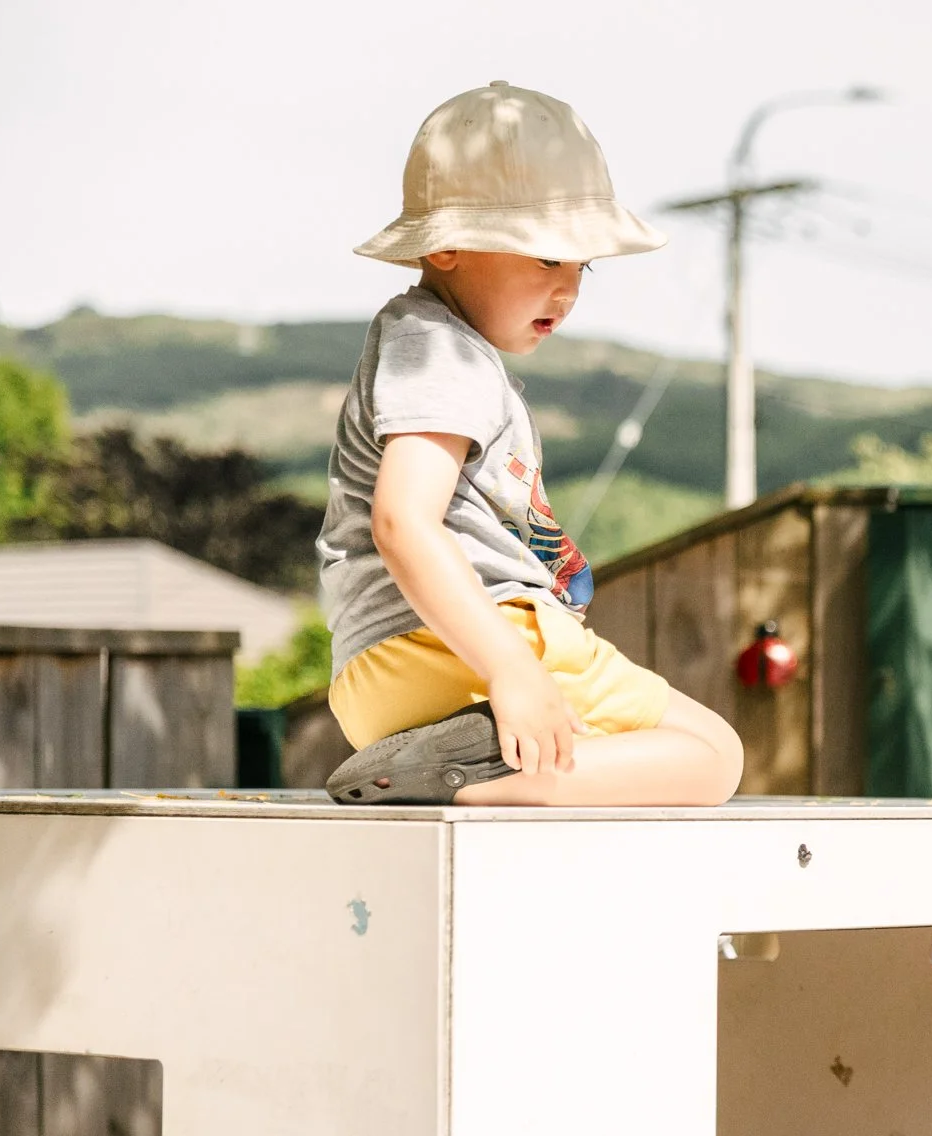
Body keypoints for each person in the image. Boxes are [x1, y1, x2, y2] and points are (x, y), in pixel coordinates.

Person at [316, 82, 742, 806]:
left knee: (632, 746)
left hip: (376, 680)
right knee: (713, 756)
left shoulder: (434, 351)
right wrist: (510, 666)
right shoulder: (439, 353)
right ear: (447, 244)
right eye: (547, 258)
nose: (570, 289)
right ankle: (491, 786)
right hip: (464, 643)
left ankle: (467, 764)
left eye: (584, 266)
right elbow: (402, 521)